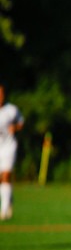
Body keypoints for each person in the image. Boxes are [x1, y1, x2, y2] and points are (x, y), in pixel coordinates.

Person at [0, 84, 24, 221]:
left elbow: (21, 122)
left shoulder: (11, 110)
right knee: (1, 179)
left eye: (1, 94)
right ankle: (8, 199)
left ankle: (4, 211)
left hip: (9, 147)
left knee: (6, 175)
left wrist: (15, 127)